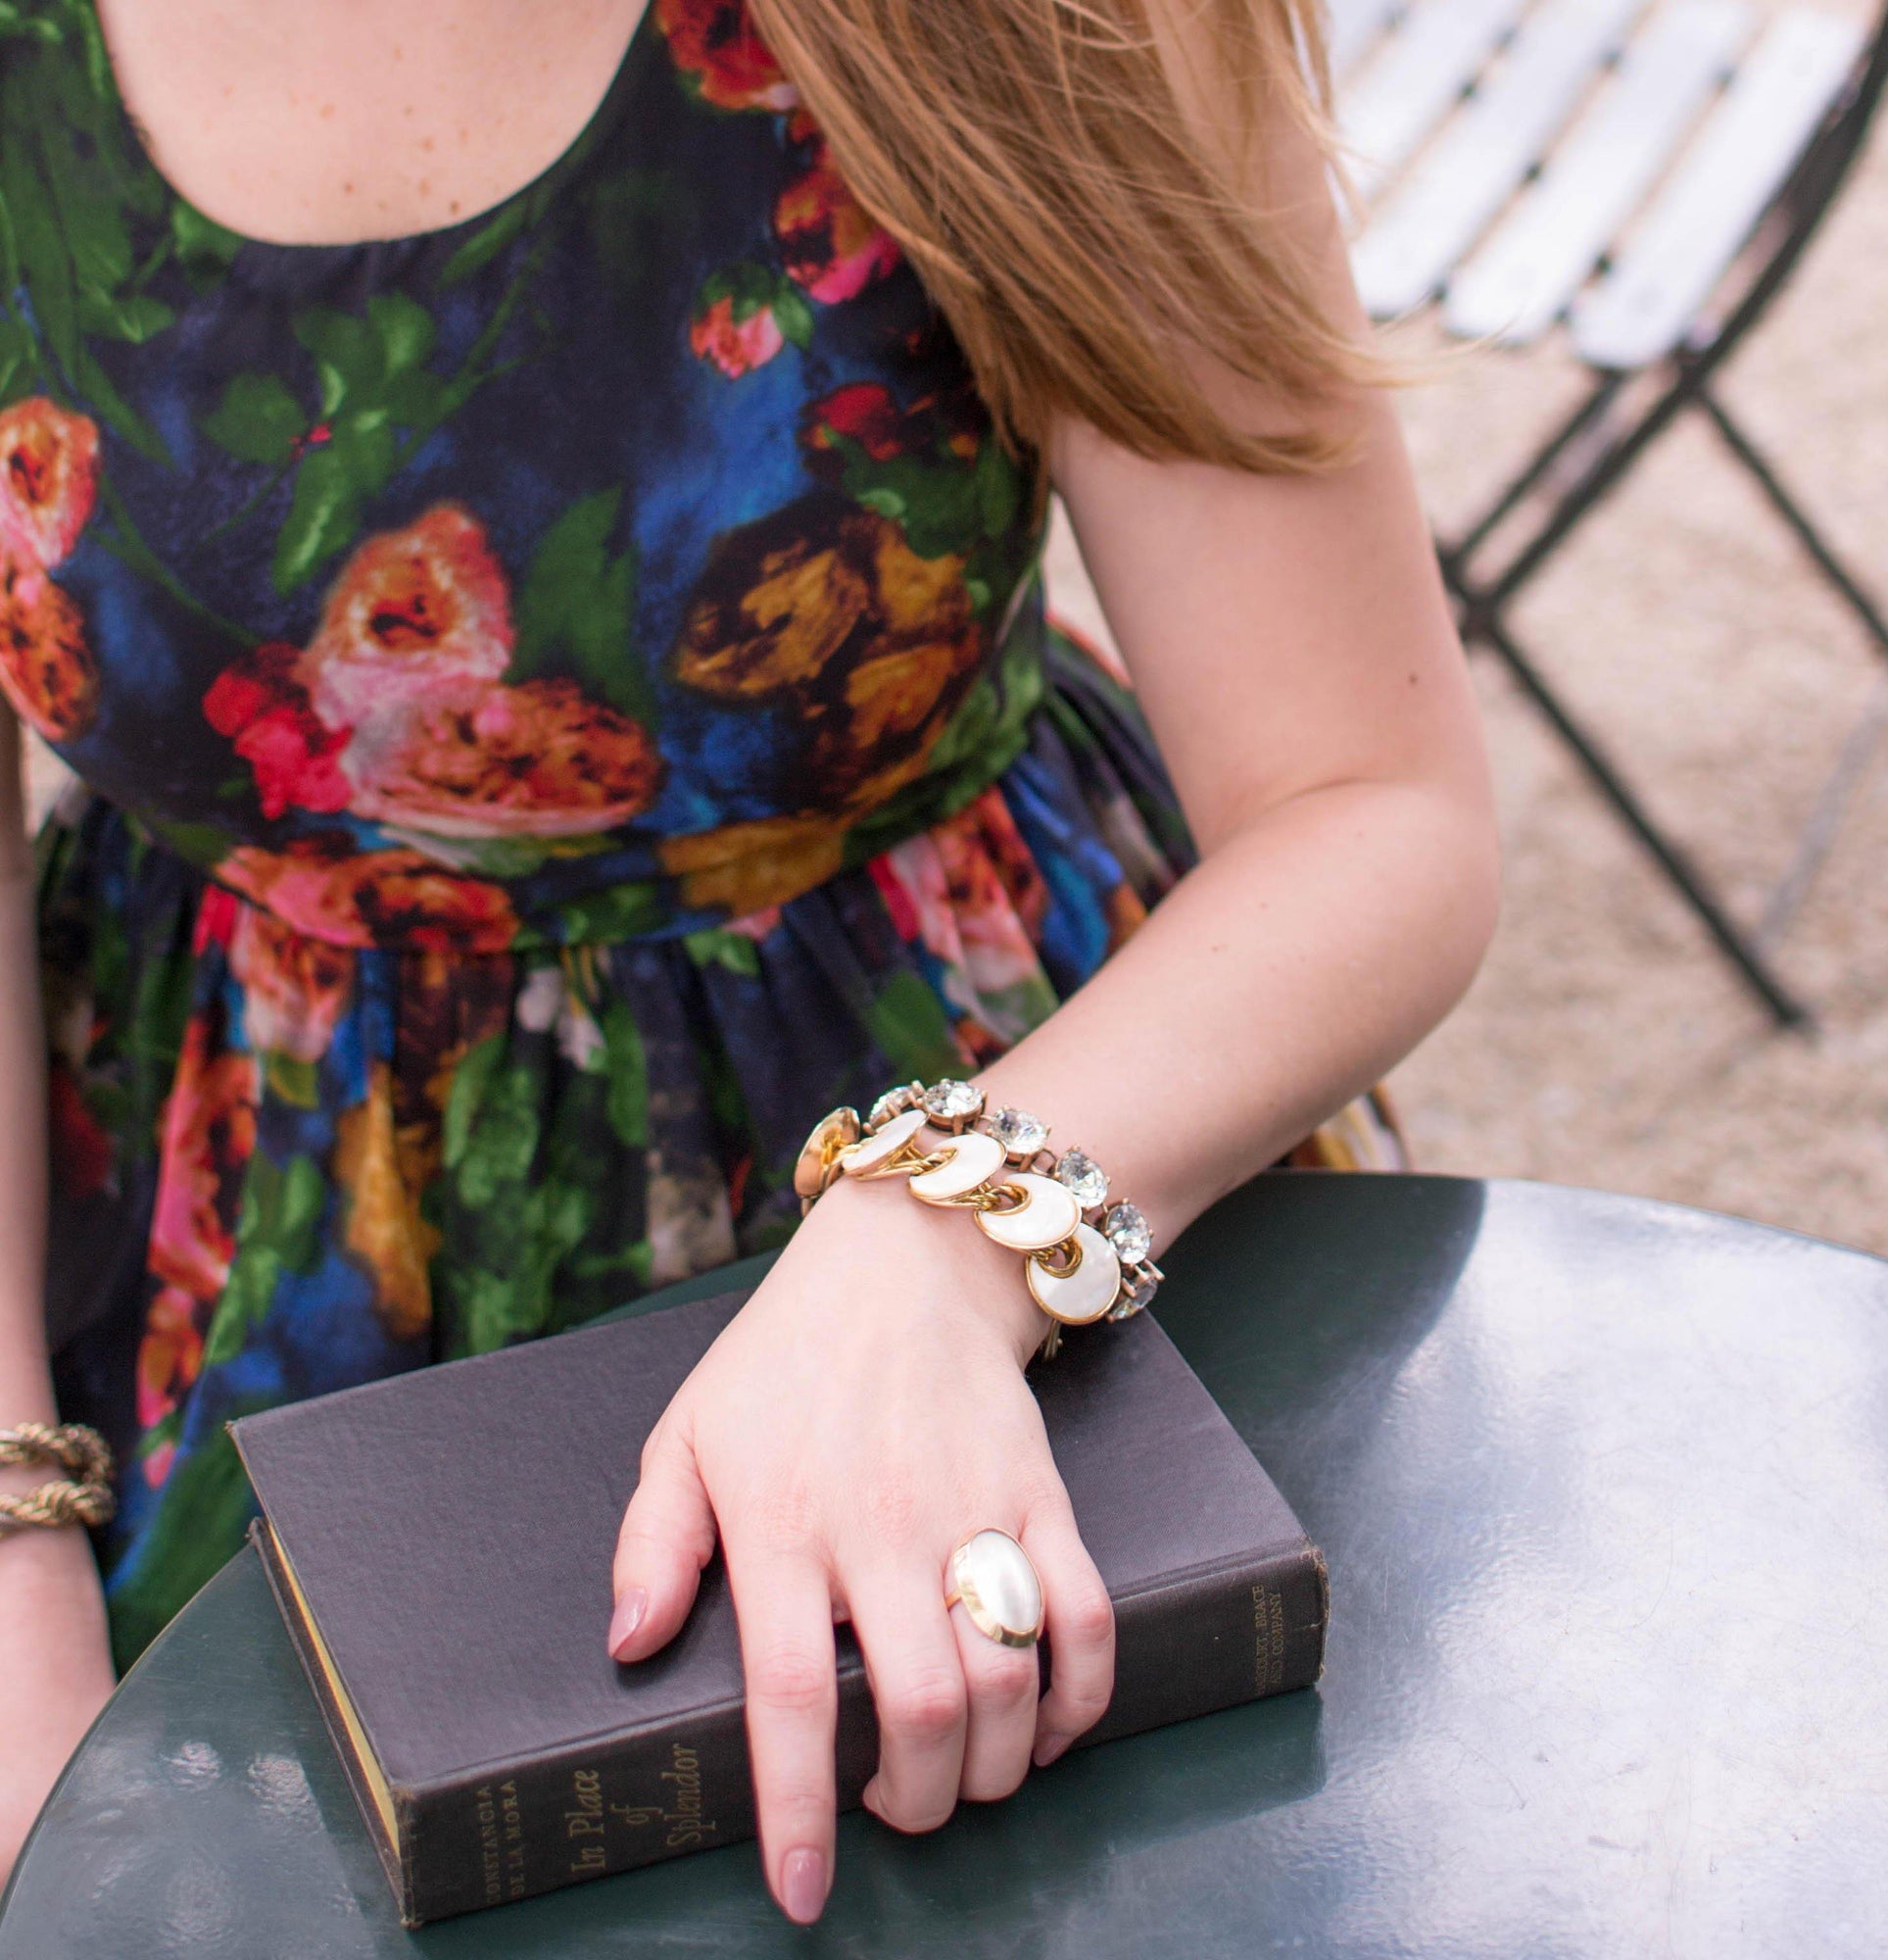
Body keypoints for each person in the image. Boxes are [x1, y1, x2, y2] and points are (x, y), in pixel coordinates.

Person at [0, 0, 1497, 1925]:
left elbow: (1370, 800)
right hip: (189, 1261)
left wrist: (943, 1233)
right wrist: (18, 1535)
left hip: (1007, 1125)